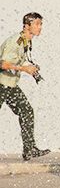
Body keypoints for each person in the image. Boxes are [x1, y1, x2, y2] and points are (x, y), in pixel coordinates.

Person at [0, 13, 50, 161]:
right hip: (1, 85)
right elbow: (3, 64)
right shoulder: (15, 41)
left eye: (41, 24)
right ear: (27, 26)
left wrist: (31, 67)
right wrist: (24, 69)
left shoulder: (25, 41)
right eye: (37, 24)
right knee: (26, 111)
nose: (40, 27)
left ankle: (29, 149)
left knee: (27, 111)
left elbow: (18, 60)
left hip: (10, 85)